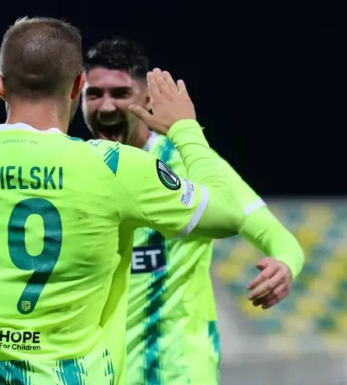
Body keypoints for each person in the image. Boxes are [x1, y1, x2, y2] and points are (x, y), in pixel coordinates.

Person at [0, 17, 244, 384]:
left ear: (0, 86)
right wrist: (185, 130)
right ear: (78, 86)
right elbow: (227, 213)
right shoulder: (115, 168)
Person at [84, 37, 306, 384]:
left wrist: (286, 265)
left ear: (147, 99)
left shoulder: (189, 163)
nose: (107, 106)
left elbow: (277, 236)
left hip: (179, 371)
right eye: (94, 94)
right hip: (103, 373)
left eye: (121, 93)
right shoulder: (79, 167)